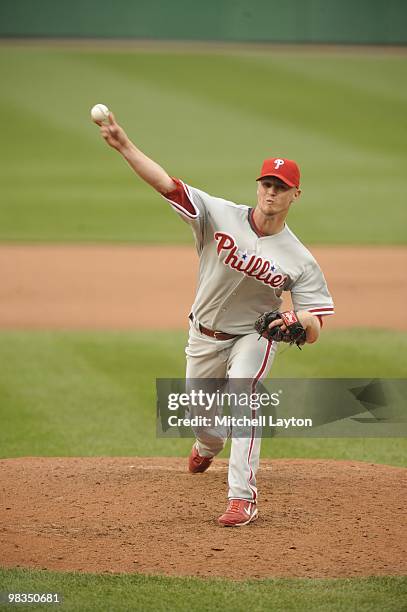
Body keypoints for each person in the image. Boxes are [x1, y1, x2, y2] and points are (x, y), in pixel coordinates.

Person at [96, 113, 334, 527]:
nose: (272, 192)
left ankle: (243, 497)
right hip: (203, 335)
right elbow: (165, 183)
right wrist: (123, 145)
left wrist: (298, 318)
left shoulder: (300, 259)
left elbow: (314, 326)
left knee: (245, 397)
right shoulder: (217, 213)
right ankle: (208, 446)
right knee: (200, 420)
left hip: (254, 336)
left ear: (296, 194)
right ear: (258, 186)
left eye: (281, 187)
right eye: (267, 184)